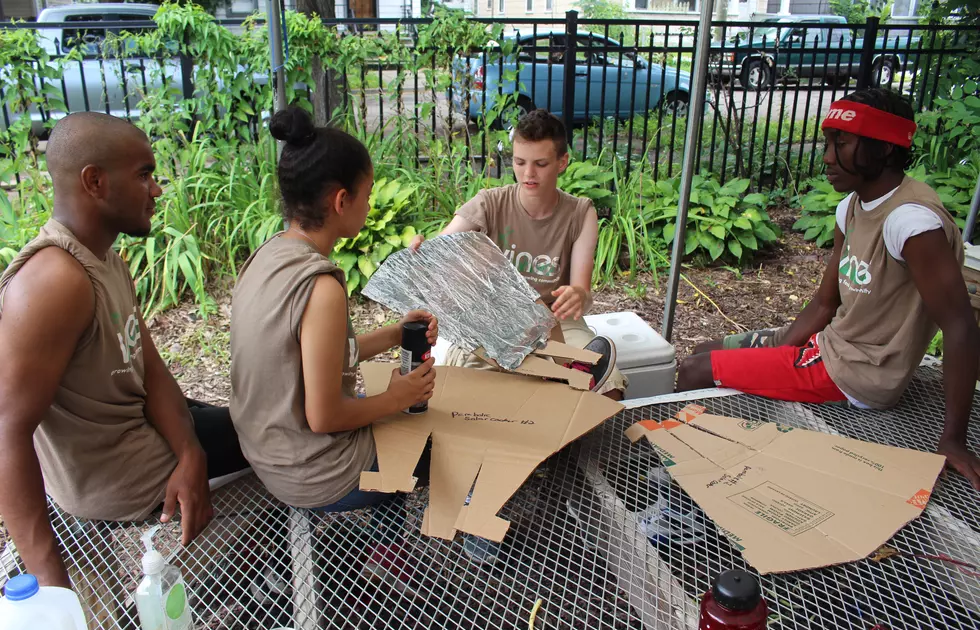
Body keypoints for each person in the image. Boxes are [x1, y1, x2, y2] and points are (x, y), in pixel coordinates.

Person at [676, 89, 980, 491]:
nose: (827, 157)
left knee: (695, 371)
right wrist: (779, 349)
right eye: (828, 141)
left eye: (842, 142)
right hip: (828, 346)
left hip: (857, 374)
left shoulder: (910, 223)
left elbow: (959, 324)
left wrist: (953, 439)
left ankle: (686, 486)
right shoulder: (851, 206)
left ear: (886, 148)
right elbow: (824, 302)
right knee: (705, 351)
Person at [0, 112, 249, 589]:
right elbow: (8, 429)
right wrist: (51, 585)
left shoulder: (105, 256)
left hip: (136, 429)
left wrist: (189, 451)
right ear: (94, 181)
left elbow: (148, 366)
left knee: (244, 420)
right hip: (118, 477)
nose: (156, 189)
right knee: (275, 436)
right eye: (143, 175)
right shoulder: (53, 281)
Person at [229, 106, 437, 589]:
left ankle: (381, 551)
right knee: (429, 440)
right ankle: (390, 561)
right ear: (342, 200)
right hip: (310, 471)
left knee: (393, 414)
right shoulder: (321, 287)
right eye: (366, 196)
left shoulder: (271, 254)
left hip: (266, 448)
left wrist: (391, 333)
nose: (367, 206)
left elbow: (312, 358)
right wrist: (399, 398)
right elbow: (324, 417)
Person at [410, 109, 627, 401]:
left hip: (556, 322)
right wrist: (422, 251)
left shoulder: (580, 212)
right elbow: (441, 248)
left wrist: (577, 295)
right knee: (469, 393)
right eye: (519, 162)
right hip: (492, 323)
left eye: (540, 164)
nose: (528, 174)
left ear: (562, 162)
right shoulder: (489, 203)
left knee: (608, 385)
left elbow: (583, 295)